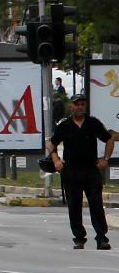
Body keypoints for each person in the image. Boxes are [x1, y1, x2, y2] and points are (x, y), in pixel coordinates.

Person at [47, 93, 114, 250]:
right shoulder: (65, 125)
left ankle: (101, 238)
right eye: (77, 104)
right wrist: (56, 159)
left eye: (82, 104)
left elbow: (109, 139)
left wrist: (105, 159)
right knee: (74, 206)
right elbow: (51, 143)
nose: (80, 107)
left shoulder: (93, 123)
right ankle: (79, 238)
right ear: (71, 107)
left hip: (91, 171)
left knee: (96, 205)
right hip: (71, 172)